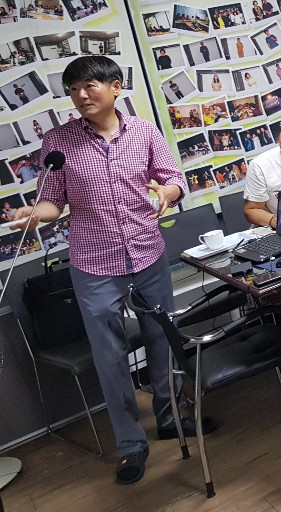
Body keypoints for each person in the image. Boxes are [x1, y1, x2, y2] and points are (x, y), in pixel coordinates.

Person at [10, 56, 191, 486]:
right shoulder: (58, 142)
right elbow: (53, 201)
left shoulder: (144, 131)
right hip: (94, 265)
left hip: (147, 253)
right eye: (73, 89)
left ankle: (170, 417)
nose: (81, 95)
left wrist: (167, 192)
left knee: (162, 340)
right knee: (110, 359)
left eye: (89, 85)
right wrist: (36, 215)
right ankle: (131, 445)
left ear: (115, 87)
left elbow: (174, 179)